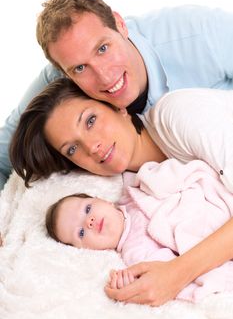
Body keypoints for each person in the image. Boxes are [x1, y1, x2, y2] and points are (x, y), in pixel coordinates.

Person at [9, 77, 233, 305]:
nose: (92, 146)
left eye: (90, 121)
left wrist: (176, 274)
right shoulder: (131, 190)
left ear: (117, 106)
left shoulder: (177, 114)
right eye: (73, 148)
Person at [1, 0, 233, 190]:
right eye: (80, 68)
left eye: (102, 48)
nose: (104, 76)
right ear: (64, 74)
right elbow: (3, 157)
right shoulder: (56, 93)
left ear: (120, 24)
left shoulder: (201, 34)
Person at [45, 158, 233, 303]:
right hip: (210, 234)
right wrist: (128, 281)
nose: (90, 222)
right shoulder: (134, 250)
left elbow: (170, 173)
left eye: (87, 209)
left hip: (213, 197)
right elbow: (166, 271)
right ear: (86, 250)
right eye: (81, 233)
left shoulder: (134, 189)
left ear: (103, 201)